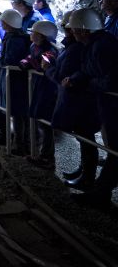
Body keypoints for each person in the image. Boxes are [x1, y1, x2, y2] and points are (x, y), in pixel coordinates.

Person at [65, 9, 118, 208]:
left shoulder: (102, 47)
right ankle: (99, 190)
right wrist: (77, 79)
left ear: (84, 30)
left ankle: (100, 193)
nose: (73, 33)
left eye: (75, 29)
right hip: (106, 104)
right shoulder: (96, 43)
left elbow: (110, 81)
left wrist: (85, 84)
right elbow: (89, 70)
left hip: (112, 104)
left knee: (115, 150)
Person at [47, 11, 100, 190]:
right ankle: (85, 171)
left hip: (81, 99)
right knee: (84, 138)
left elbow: (64, 75)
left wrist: (49, 69)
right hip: (81, 98)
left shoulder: (77, 48)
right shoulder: (76, 45)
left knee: (86, 137)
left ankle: (88, 177)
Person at [0, 9, 31, 150]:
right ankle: (17, 140)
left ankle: (18, 144)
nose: (1, 23)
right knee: (16, 111)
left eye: (4, 21)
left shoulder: (15, 39)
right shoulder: (15, 36)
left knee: (17, 111)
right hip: (14, 79)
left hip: (14, 80)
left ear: (9, 23)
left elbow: (10, 60)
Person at [20, 20, 59, 168]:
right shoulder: (34, 46)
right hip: (40, 86)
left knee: (46, 122)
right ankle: (42, 154)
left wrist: (38, 63)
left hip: (48, 88)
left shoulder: (51, 49)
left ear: (42, 35)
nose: (31, 34)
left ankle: (47, 157)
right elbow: (32, 57)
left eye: (34, 32)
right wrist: (26, 61)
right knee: (40, 120)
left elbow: (46, 64)